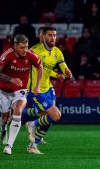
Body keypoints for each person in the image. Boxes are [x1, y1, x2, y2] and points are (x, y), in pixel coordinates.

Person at [0, 34, 43, 155]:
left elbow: (40, 67)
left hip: (20, 90)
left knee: (18, 112)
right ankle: (3, 130)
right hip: (5, 91)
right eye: (22, 47)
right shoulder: (7, 54)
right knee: (5, 119)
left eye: (26, 47)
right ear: (15, 46)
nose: (25, 50)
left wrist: (37, 86)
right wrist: (11, 79)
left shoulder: (31, 56)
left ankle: (9, 145)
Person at [25, 26, 73, 154]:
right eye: (50, 35)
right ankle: (31, 123)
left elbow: (64, 67)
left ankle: (33, 145)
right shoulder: (34, 51)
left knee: (48, 119)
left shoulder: (57, 51)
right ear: (44, 36)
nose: (53, 38)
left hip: (48, 88)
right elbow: (23, 67)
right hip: (36, 90)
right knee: (55, 115)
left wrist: (66, 73)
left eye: (55, 35)